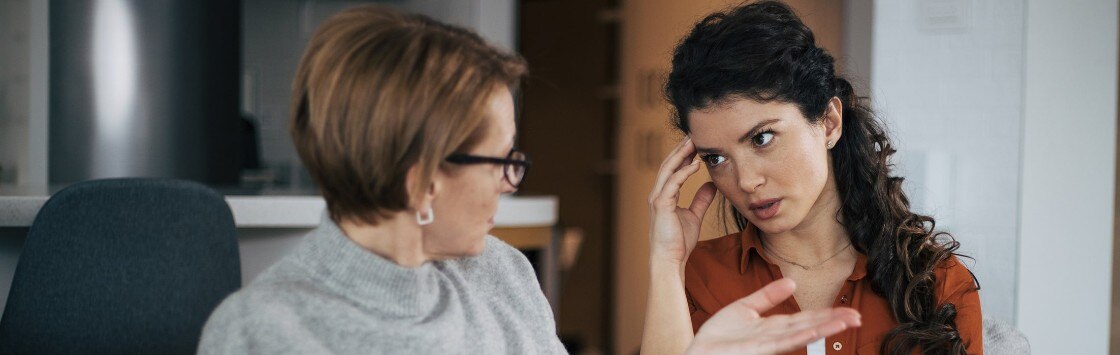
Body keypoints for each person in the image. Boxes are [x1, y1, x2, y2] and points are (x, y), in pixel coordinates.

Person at [199, 5, 858, 354]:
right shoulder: (263, 331)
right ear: (419, 181)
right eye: (502, 161)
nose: (512, 184)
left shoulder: (503, 277)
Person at [641, 2, 983, 354]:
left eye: (762, 138)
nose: (745, 181)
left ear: (829, 123)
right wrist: (666, 263)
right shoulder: (699, 277)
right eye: (716, 158)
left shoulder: (938, 283)